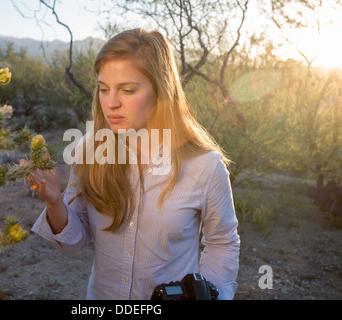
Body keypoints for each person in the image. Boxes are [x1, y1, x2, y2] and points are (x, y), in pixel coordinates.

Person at [22, 28, 240, 300]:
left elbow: (222, 243)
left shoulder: (205, 166)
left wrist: (209, 294)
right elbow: (75, 241)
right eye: (103, 89)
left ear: (160, 91)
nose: (111, 103)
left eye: (127, 90)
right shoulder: (88, 151)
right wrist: (55, 203)